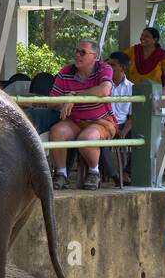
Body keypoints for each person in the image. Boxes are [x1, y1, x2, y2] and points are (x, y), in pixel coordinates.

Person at [49, 39, 116, 190]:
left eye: (83, 52)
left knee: (86, 138)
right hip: (74, 121)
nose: (78, 55)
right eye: (76, 51)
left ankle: (94, 172)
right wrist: (65, 102)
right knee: (56, 132)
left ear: (95, 57)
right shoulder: (65, 71)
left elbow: (104, 90)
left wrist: (75, 97)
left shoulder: (104, 68)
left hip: (101, 122)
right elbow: (51, 102)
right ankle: (61, 174)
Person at [100, 51, 135, 183]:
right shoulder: (102, 87)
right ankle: (114, 175)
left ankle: (126, 172)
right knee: (96, 139)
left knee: (143, 139)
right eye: (107, 65)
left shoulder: (132, 88)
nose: (108, 68)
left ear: (122, 68)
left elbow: (132, 116)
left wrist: (124, 130)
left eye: (112, 65)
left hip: (124, 125)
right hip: (105, 124)